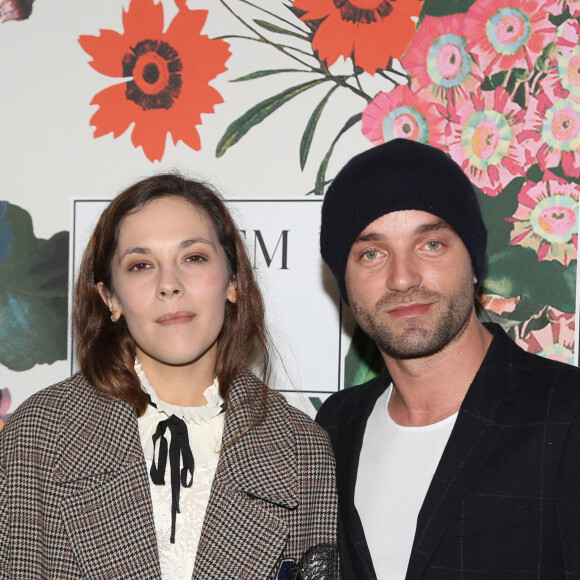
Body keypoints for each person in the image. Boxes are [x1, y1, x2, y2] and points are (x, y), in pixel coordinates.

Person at [0, 173, 338, 579]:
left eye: (193, 257)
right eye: (141, 265)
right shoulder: (38, 436)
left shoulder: (303, 450)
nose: (169, 286)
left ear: (232, 282)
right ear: (110, 298)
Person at [317, 138, 580, 579]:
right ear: (345, 283)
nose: (403, 277)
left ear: (475, 264)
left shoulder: (568, 415)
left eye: (431, 244)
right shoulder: (332, 429)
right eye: (372, 253)